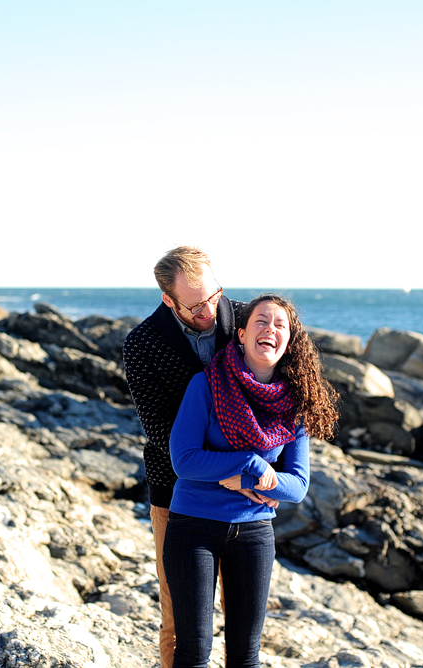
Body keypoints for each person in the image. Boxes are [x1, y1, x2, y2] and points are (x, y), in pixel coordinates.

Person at [163, 294, 339, 668]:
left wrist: (246, 478)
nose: (270, 329)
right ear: (241, 334)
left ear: (289, 342)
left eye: (280, 325)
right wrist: (252, 466)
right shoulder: (206, 385)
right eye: (261, 321)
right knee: (194, 652)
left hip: (255, 533)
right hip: (193, 528)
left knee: (246, 656)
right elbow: (185, 461)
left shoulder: (295, 403)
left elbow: (297, 486)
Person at [122, 246, 252, 668]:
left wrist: (270, 471)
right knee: (178, 623)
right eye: (195, 306)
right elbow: (156, 427)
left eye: (214, 297)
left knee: (243, 625)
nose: (211, 311)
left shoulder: (249, 319)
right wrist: (223, 469)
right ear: (168, 300)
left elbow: (284, 393)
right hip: (175, 493)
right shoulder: (142, 343)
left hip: (246, 496)